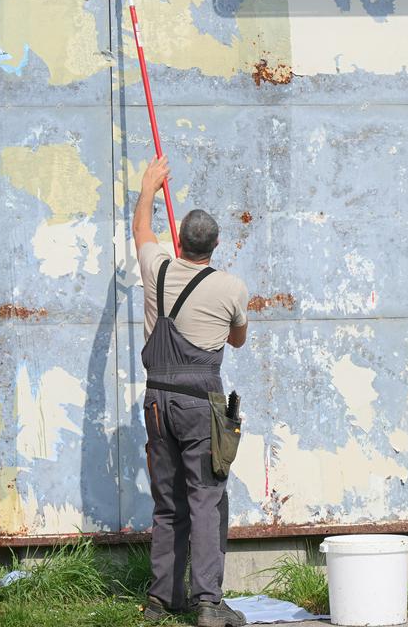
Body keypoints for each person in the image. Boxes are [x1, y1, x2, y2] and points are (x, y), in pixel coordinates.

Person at [133, 156, 249, 627]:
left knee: (168, 501)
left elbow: (142, 231)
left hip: (156, 403)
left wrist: (149, 190)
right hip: (201, 407)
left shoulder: (155, 268)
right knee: (206, 499)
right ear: (217, 245)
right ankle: (207, 603)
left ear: (178, 241)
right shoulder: (230, 287)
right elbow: (237, 340)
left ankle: (162, 598)